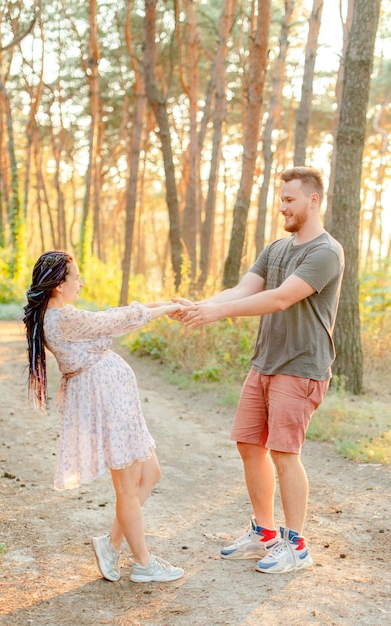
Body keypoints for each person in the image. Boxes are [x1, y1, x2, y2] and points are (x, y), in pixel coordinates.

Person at [175, 166, 344, 574]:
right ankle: (264, 534)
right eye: (281, 199)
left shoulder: (325, 252)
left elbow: (280, 298)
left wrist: (217, 312)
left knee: (286, 454)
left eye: (289, 199)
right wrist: (201, 307)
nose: (282, 206)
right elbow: (243, 290)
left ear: (313, 200)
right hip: (264, 362)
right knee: (249, 445)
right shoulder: (275, 249)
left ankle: (296, 545)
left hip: (300, 367)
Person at [23, 251, 184, 583]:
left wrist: (162, 303)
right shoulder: (61, 318)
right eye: (76, 277)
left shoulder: (59, 316)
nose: (80, 282)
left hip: (117, 403)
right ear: (57, 285)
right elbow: (114, 320)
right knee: (127, 487)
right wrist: (166, 309)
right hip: (106, 403)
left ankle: (111, 544)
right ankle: (142, 562)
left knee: (150, 473)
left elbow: (113, 316)